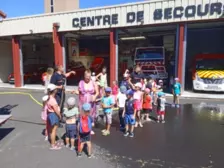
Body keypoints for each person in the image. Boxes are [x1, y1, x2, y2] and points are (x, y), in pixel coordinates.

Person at [77, 69, 99, 134]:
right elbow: (79, 91)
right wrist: (76, 92)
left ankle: (89, 128)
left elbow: (97, 92)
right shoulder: (81, 82)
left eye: (89, 77)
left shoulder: (93, 82)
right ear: (84, 76)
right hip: (82, 101)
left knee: (90, 114)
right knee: (82, 113)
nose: (88, 78)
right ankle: (82, 127)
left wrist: (95, 96)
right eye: (87, 77)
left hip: (90, 101)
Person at [46, 84, 62, 150]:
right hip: (53, 114)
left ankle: (53, 141)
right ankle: (53, 145)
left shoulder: (48, 97)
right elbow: (56, 109)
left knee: (51, 128)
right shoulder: (53, 100)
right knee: (54, 130)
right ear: (54, 91)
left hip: (49, 114)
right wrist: (59, 115)